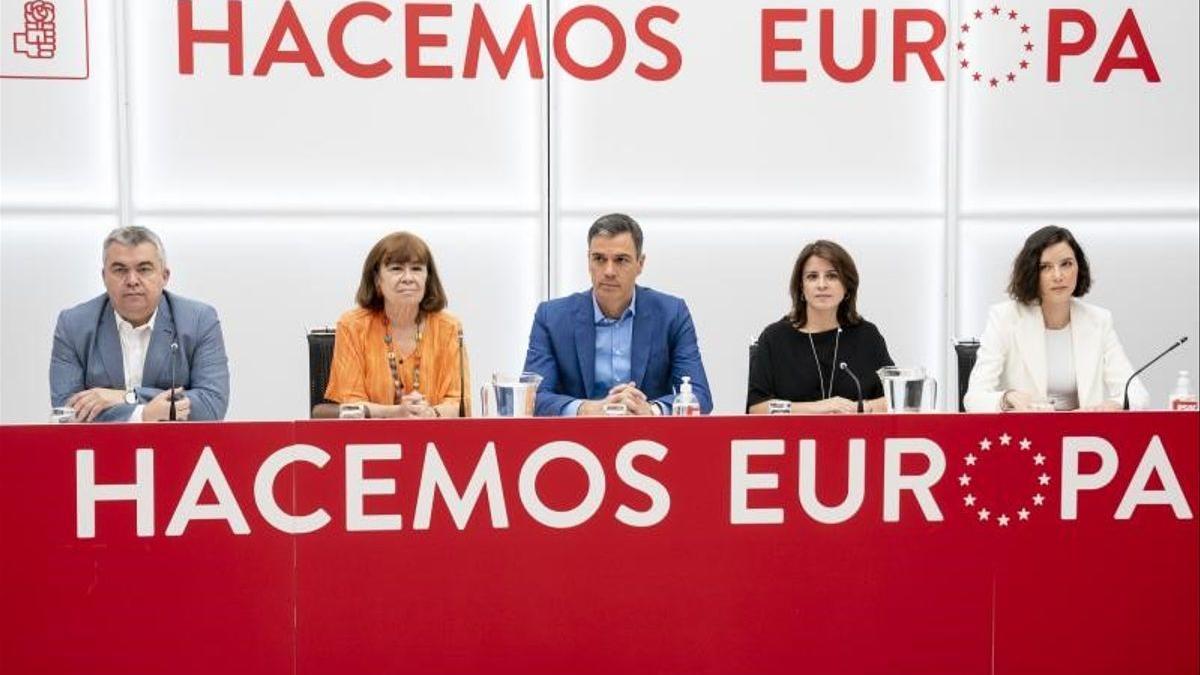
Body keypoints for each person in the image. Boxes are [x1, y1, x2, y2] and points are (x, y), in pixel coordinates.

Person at [522, 213, 712, 416]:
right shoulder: (552, 318)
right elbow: (534, 397)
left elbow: (699, 395)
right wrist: (586, 409)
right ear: (588, 261)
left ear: (640, 264)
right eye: (599, 259)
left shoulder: (671, 313)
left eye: (621, 260)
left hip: (650, 440)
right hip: (574, 442)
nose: (609, 271)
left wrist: (650, 410)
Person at [49, 226, 230, 422]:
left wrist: (127, 396)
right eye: (120, 270)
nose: (132, 280)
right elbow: (67, 413)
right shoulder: (74, 325)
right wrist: (142, 414)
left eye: (144, 269)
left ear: (164, 276)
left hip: (176, 450)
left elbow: (212, 405)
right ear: (104, 277)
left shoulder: (198, 321)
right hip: (102, 450)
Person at [964, 225, 1148, 412]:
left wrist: (1114, 404)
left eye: (1066, 264)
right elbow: (974, 398)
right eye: (1045, 267)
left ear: (1078, 267)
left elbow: (1137, 394)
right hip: (1026, 435)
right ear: (1032, 273)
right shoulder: (1005, 318)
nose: (1058, 276)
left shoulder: (1098, 320)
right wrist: (1006, 398)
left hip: (1082, 436)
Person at [325, 232, 470, 418]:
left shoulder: (449, 327)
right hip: (368, 442)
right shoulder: (352, 326)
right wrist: (396, 413)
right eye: (396, 269)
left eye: (417, 269)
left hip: (434, 441)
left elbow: (458, 403)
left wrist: (430, 413)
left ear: (428, 278)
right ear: (377, 279)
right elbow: (351, 406)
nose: (408, 278)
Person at [747, 240, 894, 414]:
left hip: (856, 439)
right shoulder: (774, 338)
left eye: (832, 276)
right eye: (812, 276)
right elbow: (757, 408)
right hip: (793, 439)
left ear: (847, 286)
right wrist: (818, 408)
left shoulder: (867, 336)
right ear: (801, 287)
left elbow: (894, 398)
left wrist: (860, 407)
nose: (822, 285)